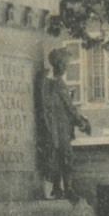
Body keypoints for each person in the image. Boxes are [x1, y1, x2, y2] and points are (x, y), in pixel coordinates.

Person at [35, 48, 92, 200]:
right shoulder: (59, 83)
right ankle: (67, 189)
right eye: (65, 63)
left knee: (57, 156)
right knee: (66, 157)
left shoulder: (49, 83)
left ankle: (56, 187)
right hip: (61, 127)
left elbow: (59, 103)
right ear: (59, 64)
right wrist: (82, 122)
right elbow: (70, 107)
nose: (66, 67)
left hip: (56, 126)